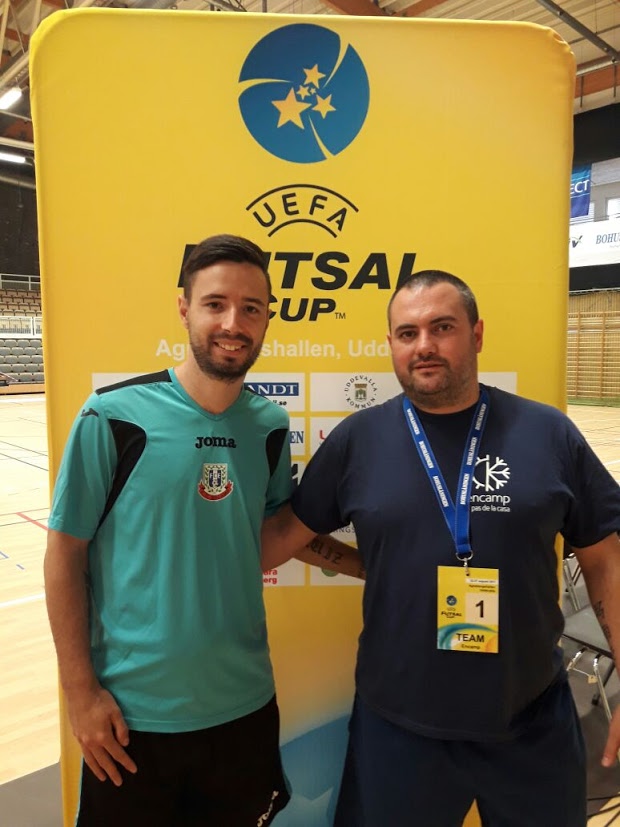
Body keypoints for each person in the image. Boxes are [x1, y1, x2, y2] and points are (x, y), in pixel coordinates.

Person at [262, 270, 620, 827]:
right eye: (407, 333)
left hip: (530, 721)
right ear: (391, 345)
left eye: (442, 327)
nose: (424, 345)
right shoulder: (358, 440)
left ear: (476, 334)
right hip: (398, 729)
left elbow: (603, 559)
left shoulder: (548, 433)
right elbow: (285, 537)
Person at [44, 234, 293, 826]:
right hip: (131, 720)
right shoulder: (112, 415)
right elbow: (64, 555)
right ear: (184, 308)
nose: (233, 323)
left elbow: (269, 537)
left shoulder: (271, 425)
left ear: (267, 317)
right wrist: (80, 693)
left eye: (251, 308)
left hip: (244, 709)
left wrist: (367, 561)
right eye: (215, 304)